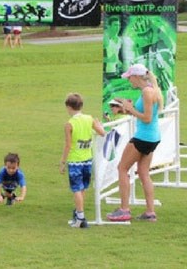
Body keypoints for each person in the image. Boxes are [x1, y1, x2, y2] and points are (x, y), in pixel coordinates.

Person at [107, 64, 163, 222]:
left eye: (130, 77)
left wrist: (130, 108)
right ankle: (150, 212)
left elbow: (146, 117)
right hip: (152, 137)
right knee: (144, 173)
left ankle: (124, 209)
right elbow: (144, 114)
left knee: (122, 168)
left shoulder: (147, 92)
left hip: (143, 137)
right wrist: (125, 107)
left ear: (136, 77)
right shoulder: (150, 89)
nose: (129, 80)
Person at [61, 93, 106, 228]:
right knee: (83, 188)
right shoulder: (89, 119)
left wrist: (63, 162)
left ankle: (80, 217)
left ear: (69, 107)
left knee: (76, 189)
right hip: (87, 159)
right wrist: (98, 124)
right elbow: (102, 132)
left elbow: (68, 145)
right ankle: (78, 213)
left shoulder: (69, 124)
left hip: (75, 160)